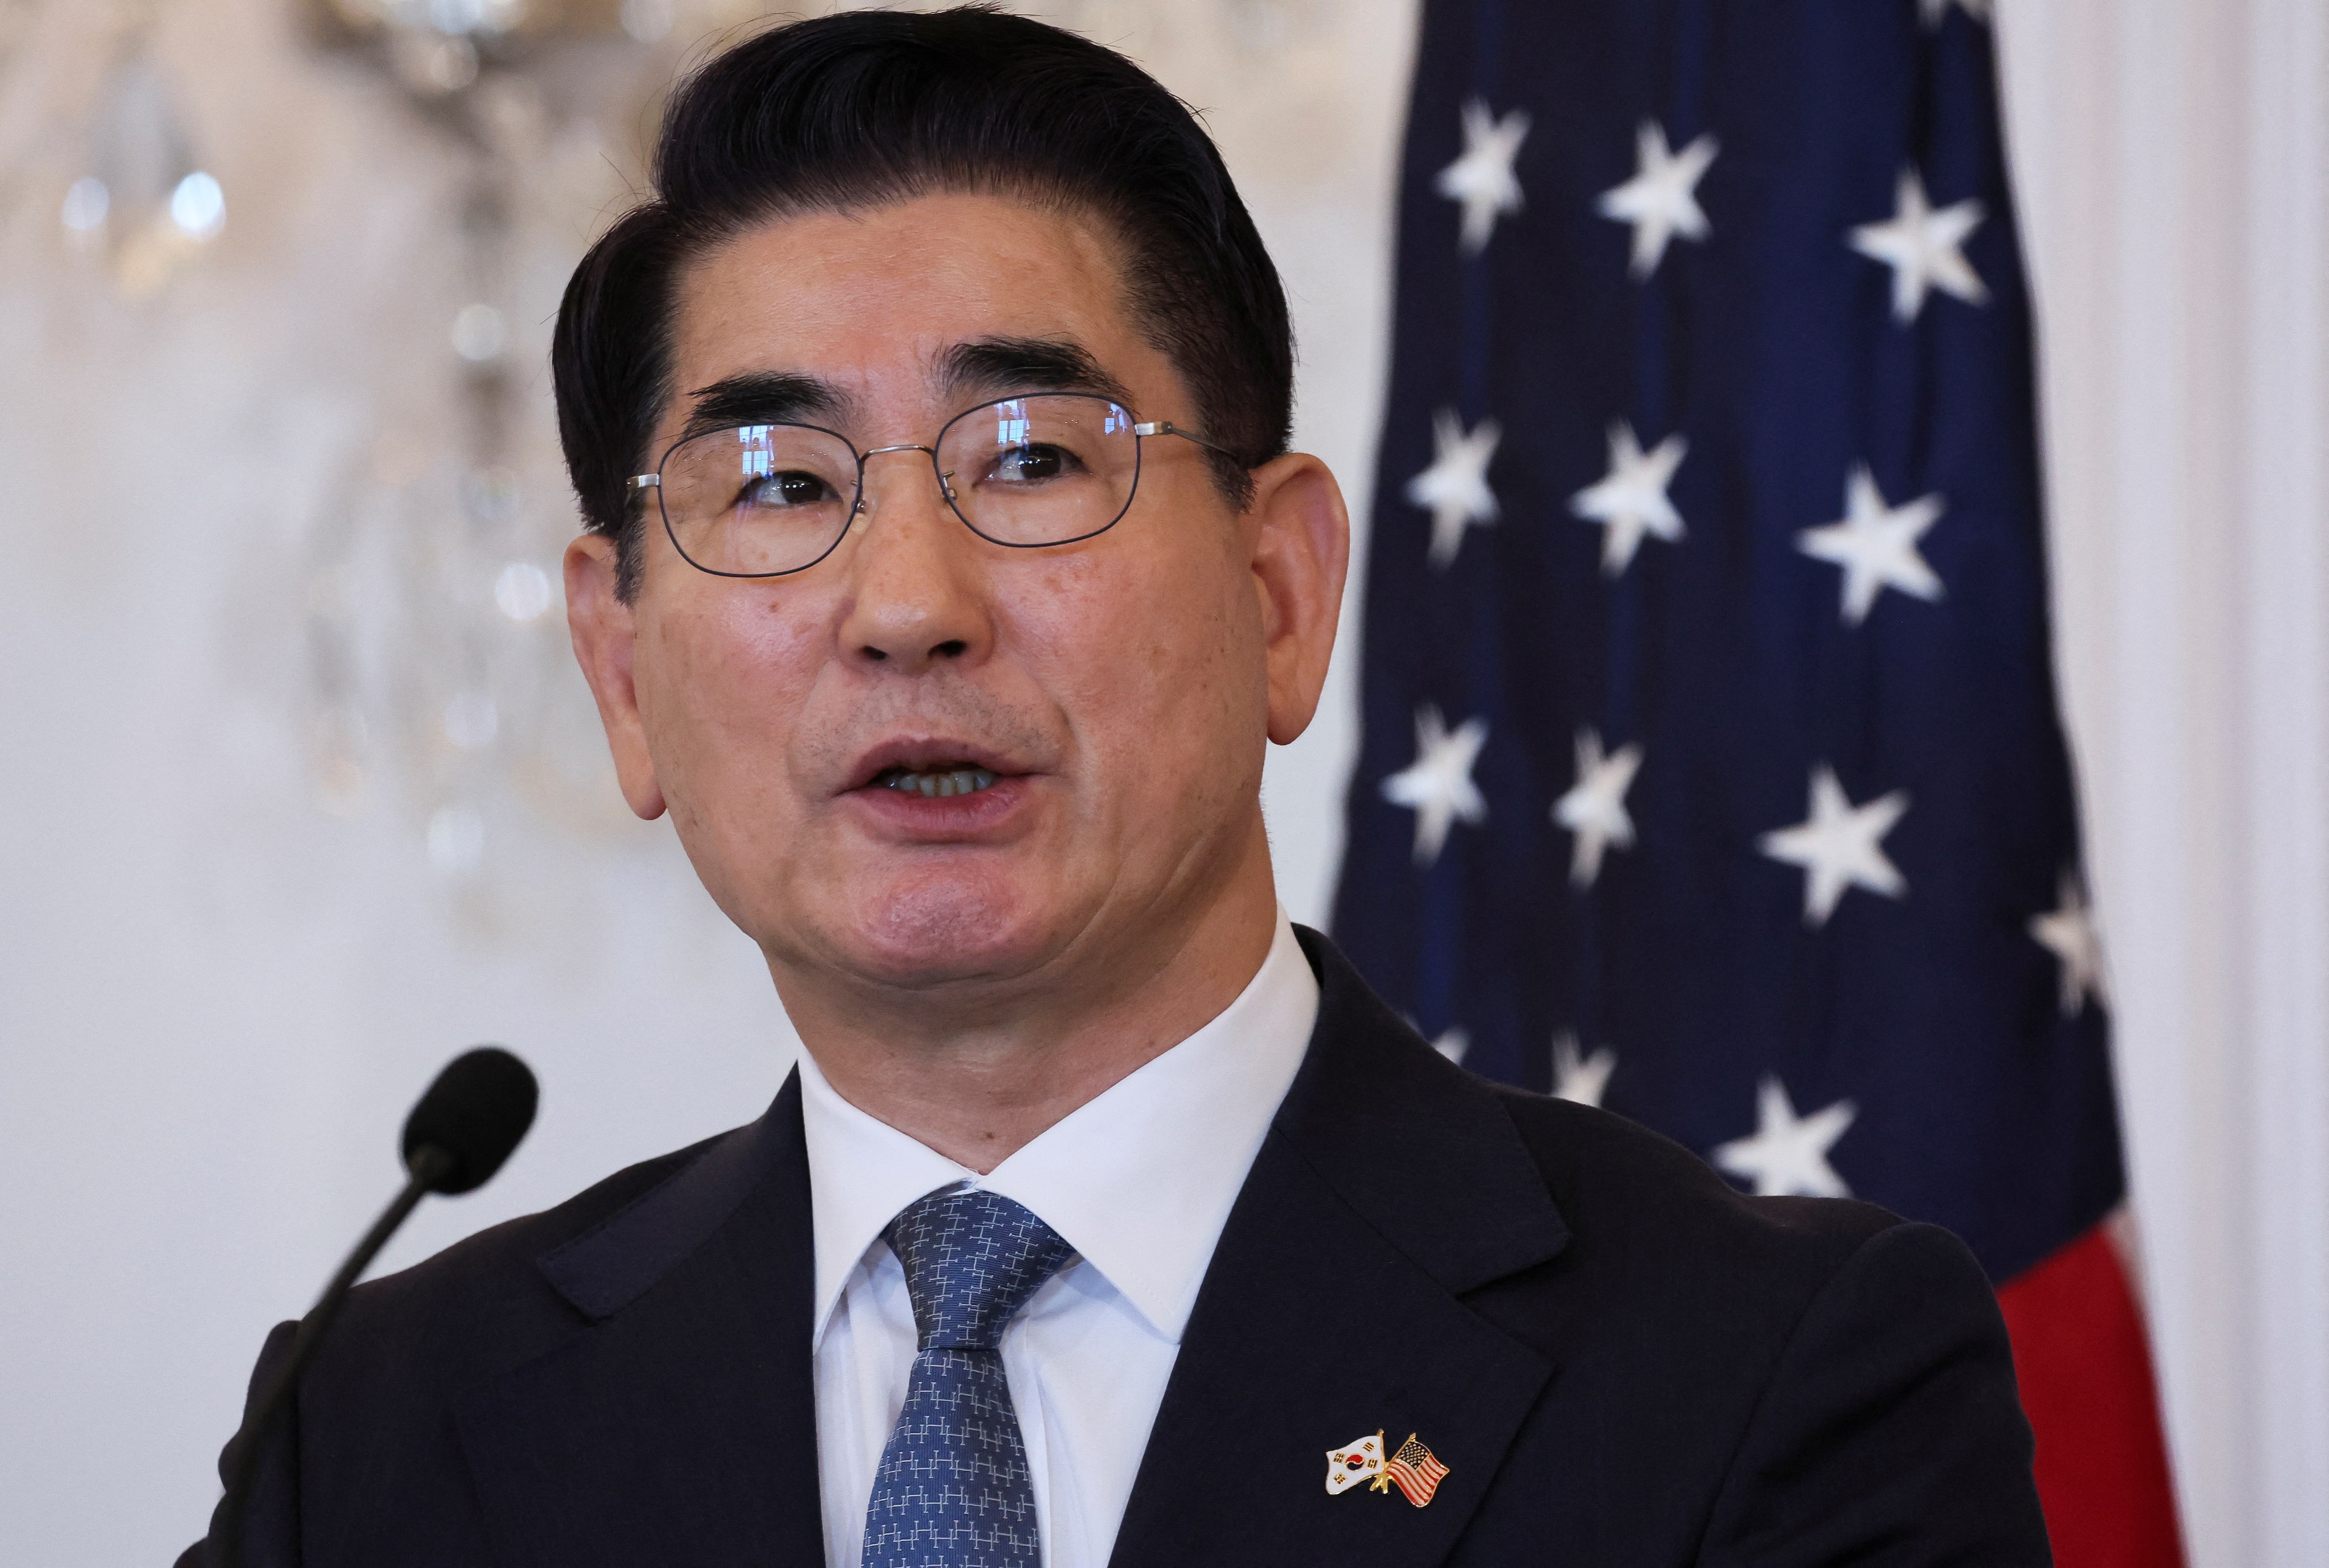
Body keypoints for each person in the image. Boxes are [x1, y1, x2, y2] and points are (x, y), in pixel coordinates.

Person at [183, 8, 2051, 1566]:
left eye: (1030, 459)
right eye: (776, 486)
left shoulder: (1766, 1376)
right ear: (621, 672)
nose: (906, 607)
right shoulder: (381, 1430)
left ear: (1279, 593)